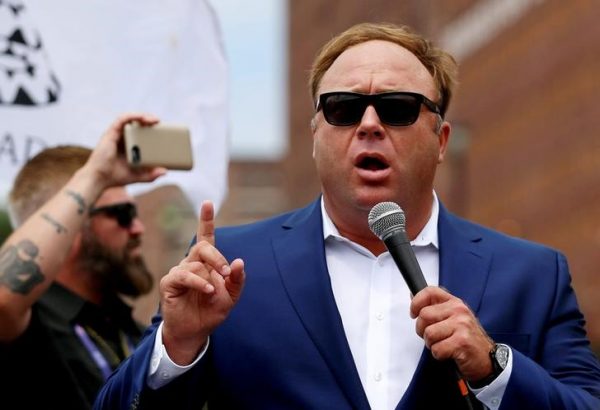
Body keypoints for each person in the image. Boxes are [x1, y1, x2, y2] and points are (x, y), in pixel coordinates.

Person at [94, 23, 600, 410]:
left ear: (441, 141)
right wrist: (178, 344)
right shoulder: (227, 266)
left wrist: (495, 370)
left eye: (398, 107)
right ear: (316, 135)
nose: (370, 124)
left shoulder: (533, 273)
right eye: (343, 108)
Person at [0, 114, 166, 409]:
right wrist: (95, 176)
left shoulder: (139, 335)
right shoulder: (29, 324)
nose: (138, 228)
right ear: (70, 227)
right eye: (123, 214)